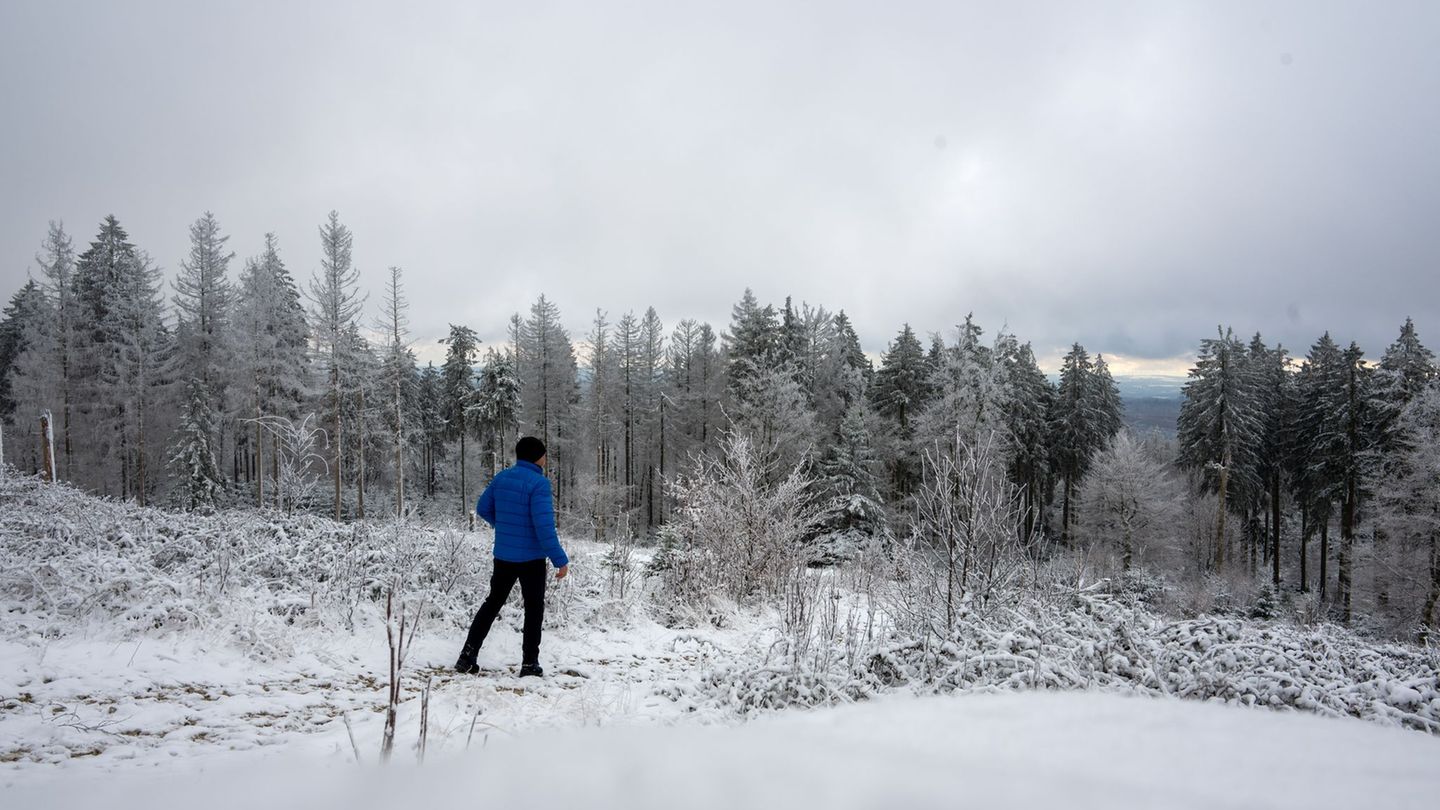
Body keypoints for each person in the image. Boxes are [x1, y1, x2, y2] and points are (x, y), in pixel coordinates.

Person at [455, 436, 570, 677]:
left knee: (492, 604)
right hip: (531, 559)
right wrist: (560, 560)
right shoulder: (539, 484)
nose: (545, 458)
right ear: (537, 457)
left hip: (504, 556)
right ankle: (529, 664)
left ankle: (467, 656)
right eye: (544, 454)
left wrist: (504, 527)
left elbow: (483, 508)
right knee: (533, 609)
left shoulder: (502, 477)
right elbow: (544, 527)